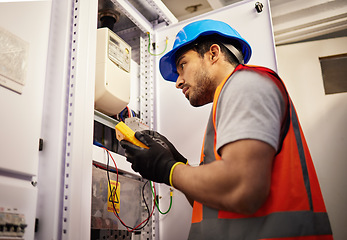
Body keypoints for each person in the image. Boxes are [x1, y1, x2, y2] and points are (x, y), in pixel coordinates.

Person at [120, 19, 333, 240]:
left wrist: (167, 168)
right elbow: (210, 200)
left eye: (182, 65)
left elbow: (242, 188)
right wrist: (177, 162)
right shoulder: (230, 100)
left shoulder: (246, 84)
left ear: (213, 54)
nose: (178, 81)